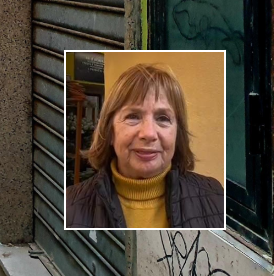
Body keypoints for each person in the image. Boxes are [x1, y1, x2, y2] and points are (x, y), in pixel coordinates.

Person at [65, 63, 224, 229]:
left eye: (163, 118)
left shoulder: (215, 197)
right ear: (109, 131)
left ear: (178, 134)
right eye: (133, 116)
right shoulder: (70, 205)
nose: (148, 134)